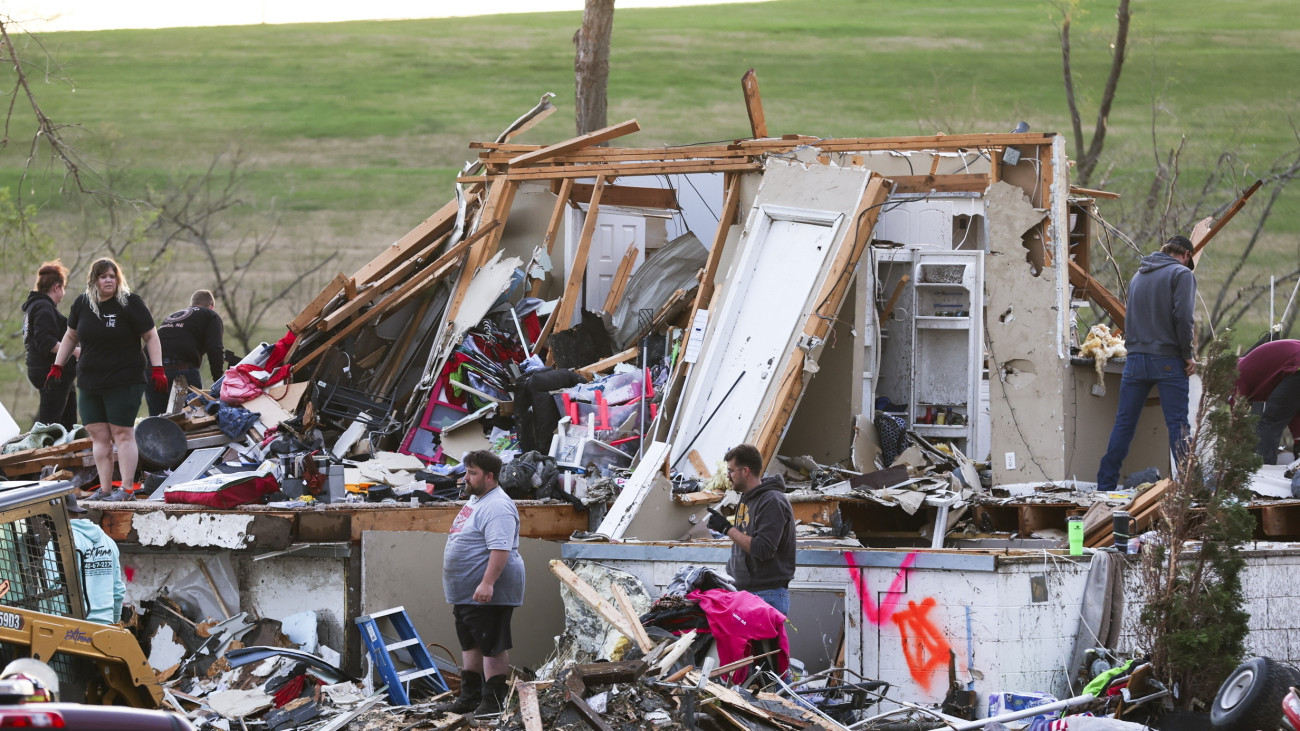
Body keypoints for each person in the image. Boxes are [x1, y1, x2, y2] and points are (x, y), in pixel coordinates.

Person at [1096, 227, 1204, 492]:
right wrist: (1187, 355)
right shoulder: (1182, 275)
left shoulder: (1138, 276)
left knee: (1124, 424)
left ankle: (1105, 485)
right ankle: (1191, 489)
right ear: (1186, 256)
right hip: (1167, 359)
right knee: (1178, 426)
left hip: (1135, 361)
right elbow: (1183, 318)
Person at [47, 258, 166, 497]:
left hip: (124, 380)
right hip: (90, 381)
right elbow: (71, 336)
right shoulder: (83, 304)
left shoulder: (130, 303)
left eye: (112, 275)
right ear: (95, 280)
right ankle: (103, 488)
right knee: (98, 436)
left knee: (122, 433)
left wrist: (158, 368)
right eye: (103, 276)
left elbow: (151, 336)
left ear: (118, 278)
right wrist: (58, 365)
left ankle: (127, 488)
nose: (108, 280)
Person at [438, 450, 524, 716]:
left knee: (491, 645)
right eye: (466, 472)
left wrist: (487, 583)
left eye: (472, 473)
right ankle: (470, 697)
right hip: (466, 594)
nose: (466, 478)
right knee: (471, 644)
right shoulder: (477, 500)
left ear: (490, 476)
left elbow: (500, 549)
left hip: (489, 592)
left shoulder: (498, 505)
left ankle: (492, 703)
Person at [707, 444, 796, 615]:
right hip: (745, 593)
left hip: (765, 596)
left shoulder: (772, 501)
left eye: (731, 471)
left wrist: (726, 528)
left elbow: (763, 549)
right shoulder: (747, 498)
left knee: (763, 643)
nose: (728, 476)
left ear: (745, 471)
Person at [145, 289, 226, 416]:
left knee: (157, 425)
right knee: (192, 419)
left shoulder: (173, 316)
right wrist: (219, 384)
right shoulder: (210, 315)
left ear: (191, 304)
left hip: (153, 372)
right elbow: (215, 349)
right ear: (211, 307)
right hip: (182, 373)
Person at [22, 260, 79, 429]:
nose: (63, 294)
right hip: (51, 373)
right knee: (51, 424)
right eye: (63, 289)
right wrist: (75, 351)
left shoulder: (35, 307)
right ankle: (46, 451)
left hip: (55, 373)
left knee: (67, 419)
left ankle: (68, 446)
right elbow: (46, 342)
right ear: (57, 287)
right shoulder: (44, 309)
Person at [1235, 339, 1300, 464]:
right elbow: (1292, 409)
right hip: (1295, 364)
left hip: (1297, 364)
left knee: (1270, 421)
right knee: (1283, 411)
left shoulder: (1236, 375)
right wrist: (1298, 438)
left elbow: (1237, 416)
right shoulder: (1256, 369)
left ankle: (1263, 467)